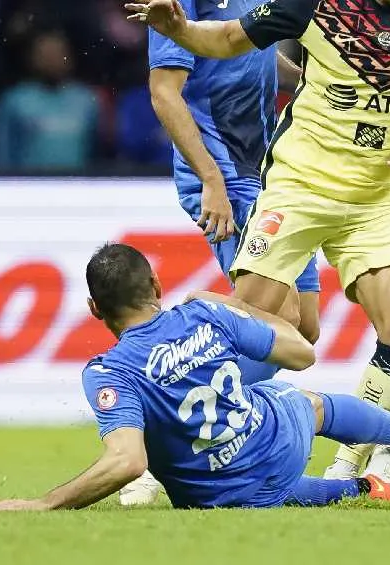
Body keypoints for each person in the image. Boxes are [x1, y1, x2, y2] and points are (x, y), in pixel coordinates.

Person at [126, 0, 390, 481]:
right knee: (252, 324)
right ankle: (167, 435)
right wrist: (182, 30)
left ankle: (348, 466)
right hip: (299, 186)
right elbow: (228, 38)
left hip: (376, 198)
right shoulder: (316, 4)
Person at [0, 244, 390, 511]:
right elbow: (301, 352)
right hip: (274, 445)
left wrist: (45, 504)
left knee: (246, 485)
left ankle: (373, 491)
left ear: (93, 309)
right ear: (158, 288)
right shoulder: (205, 316)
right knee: (302, 402)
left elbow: (127, 461)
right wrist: (232, 304)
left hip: (215, 497)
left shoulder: (111, 371)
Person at [120, 0, 325, 505]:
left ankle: (204, 400)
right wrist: (211, 179)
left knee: (306, 327)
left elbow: (247, 44)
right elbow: (164, 91)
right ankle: (165, 436)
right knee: (280, 317)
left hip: (271, 170)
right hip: (225, 172)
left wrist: (308, 76)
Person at [0, 30, 98, 172]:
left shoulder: (85, 100)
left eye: (57, 53)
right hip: (28, 188)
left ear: (69, 57)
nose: (52, 60)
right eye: (45, 54)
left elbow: (95, 150)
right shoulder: (15, 100)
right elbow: (2, 154)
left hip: (77, 186)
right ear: (32, 58)